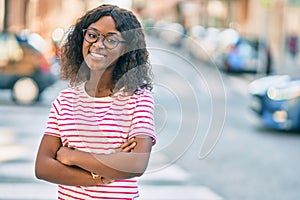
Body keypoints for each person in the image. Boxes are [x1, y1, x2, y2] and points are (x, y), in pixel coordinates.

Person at [35, 4, 156, 199]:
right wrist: (100, 175)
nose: (98, 44)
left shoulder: (137, 99)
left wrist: (72, 156)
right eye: (93, 35)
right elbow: (43, 167)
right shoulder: (65, 101)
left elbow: (136, 164)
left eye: (111, 39)